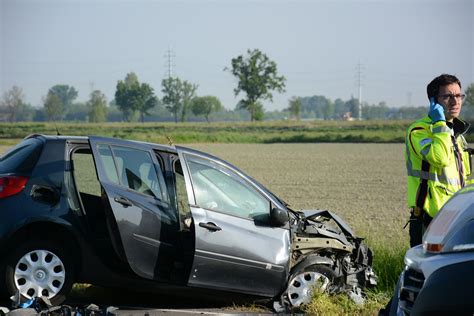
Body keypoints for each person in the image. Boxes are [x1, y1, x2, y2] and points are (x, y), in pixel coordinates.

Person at [405, 74, 472, 247]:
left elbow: (465, 178)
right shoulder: (419, 131)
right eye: (448, 96)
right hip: (430, 220)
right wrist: (440, 122)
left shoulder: (456, 134)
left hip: (457, 218)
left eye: (458, 96)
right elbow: (440, 158)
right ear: (434, 101)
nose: (455, 101)